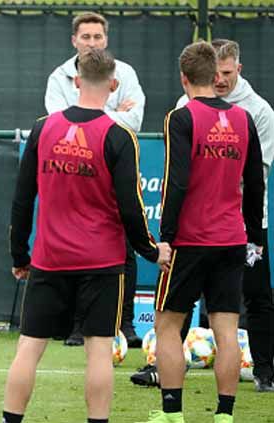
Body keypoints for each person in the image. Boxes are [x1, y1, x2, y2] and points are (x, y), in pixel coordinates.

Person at [2, 48, 171, 423]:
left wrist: (19, 256)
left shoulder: (43, 127)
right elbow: (132, 207)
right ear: (113, 86)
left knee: (28, 348)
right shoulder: (119, 135)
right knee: (98, 352)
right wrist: (150, 251)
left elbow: (21, 198)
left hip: (48, 259)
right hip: (102, 262)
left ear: (76, 82)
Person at [137, 41, 264, 423]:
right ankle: (224, 416)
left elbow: (176, 182)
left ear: (184, 78)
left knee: (168, 326)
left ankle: (173, 413)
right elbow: (255, 182)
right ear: (215, 75)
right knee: (227, 329)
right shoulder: (244, 119)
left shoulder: (181, 117)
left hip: (190, 241)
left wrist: (166, 237)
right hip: (232, 240)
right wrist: (254, 236)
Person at [173, 39, 274, 393]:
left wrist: (253, 234)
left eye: (226, 73)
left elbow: (255, 174)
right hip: (204, 226)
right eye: (216, 73)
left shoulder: (257, 112)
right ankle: (166, 368)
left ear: (238, 70)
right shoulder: (186, 106)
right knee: (182, 305)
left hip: (240, 224)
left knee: (257, 296)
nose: (220, 80)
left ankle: (264, 370)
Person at [45, 11, 146, 347]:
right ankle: (77, 325)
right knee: (74, 248)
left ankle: (126, 324)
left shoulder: (126, 72)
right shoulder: (58, 76)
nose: (91, 43)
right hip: (71, 173)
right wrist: (113, 114)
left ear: (106, 39)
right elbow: (55, 121)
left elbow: (135, 120)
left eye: (97, 37)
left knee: (123, 246)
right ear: (74, 40)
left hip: (112, 169)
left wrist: (91, 115)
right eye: (85, 37)